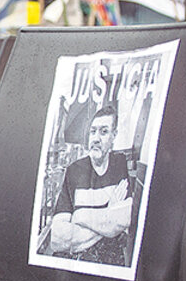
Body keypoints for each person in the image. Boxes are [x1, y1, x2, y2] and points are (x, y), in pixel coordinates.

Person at [48, 105, 132, 265]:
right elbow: (57, 239)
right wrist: (108, 216)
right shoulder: (74, 171)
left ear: (114, 135)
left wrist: (81, 216)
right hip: (77, 263)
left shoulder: (119, 164)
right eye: (93, 131)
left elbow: (125, 218)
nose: (96, 138)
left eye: (104, 131)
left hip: (110, 262)